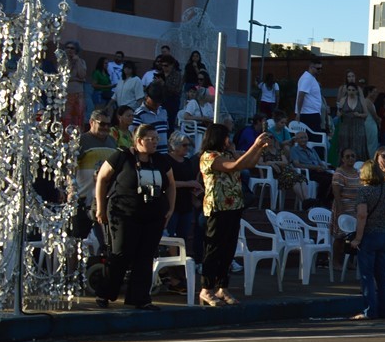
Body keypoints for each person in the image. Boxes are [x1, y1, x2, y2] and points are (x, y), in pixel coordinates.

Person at [92, 124, 175, 310]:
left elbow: (170, 184)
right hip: (123, 213)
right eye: (150, 139)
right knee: (120, 253)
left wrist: (170, 208)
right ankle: (105, 293)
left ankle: (140, 298)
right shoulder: (122, 156)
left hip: (152, 215)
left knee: (145, 256)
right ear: (138, 140)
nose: (154, 142)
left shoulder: (161, 160)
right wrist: (100, 207)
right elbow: (102, 179)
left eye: (156, 139)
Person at [198, 121, 273, 307]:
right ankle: (206, 288)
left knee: (228, 249)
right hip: (217, 208)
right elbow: (233, 166)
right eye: (226, 136)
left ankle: (222, 287)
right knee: (213, 249)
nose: (229, 140)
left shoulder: (228, 153)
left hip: (234, 206)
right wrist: (254, 145)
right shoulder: (209, 156)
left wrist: (260, 148)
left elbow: (248, 163)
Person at [351, 160, 385, 321]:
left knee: (367, 275)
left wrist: (357, 238)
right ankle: (384, 310)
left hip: (369, 235)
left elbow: (362, 215)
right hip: (384, 233)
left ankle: (370, 310)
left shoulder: (364, 192)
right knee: (382, 275)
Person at [166, 131, 202, 263]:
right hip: (172, 204)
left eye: (188, 145)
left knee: (183, 236)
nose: (187, 148)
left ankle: (181, 264)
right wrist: (188, 184)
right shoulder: (167, 160)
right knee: (171, 237)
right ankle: (172, 265)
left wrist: (195, 190)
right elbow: (167, 183)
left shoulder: (187, 162)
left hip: (186, 204)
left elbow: (191, 180)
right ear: (175, 146)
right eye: (184, 145)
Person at [332, 72, 369, 161]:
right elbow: (338, 109)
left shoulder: (360, 96)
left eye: (352, 76)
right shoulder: (342, 94)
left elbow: (366, 113)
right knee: (345, 146)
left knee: (358, 147)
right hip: (346, 126)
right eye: (349, 76)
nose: (351, 92)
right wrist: (339, 113)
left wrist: (359, 115)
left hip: (358, 125)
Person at [131, 82, 168, 149]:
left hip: (164, 153)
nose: (157, 104)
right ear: (146, 96)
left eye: (159, 101)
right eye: (154, 101)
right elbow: (133, 137)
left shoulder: (163, 112)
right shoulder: (139, 114)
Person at [330, 148, 361, 221]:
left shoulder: (358, 172)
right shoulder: (339, 173)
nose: (351, 158)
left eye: (353, 156)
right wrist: (341, 212)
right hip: (344, 210)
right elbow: (336, 194)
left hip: (356, 210)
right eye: (347, 156)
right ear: (342, 159)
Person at [294, 58, 324, 132]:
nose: (320, 70)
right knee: (314, 138)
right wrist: (298, 113)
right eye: (318, 68)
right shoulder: (307, 78)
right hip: (309, 114)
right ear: (311, 67)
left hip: (312, 113)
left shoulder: (311, 78)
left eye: (321, 68)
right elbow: (301, 95)